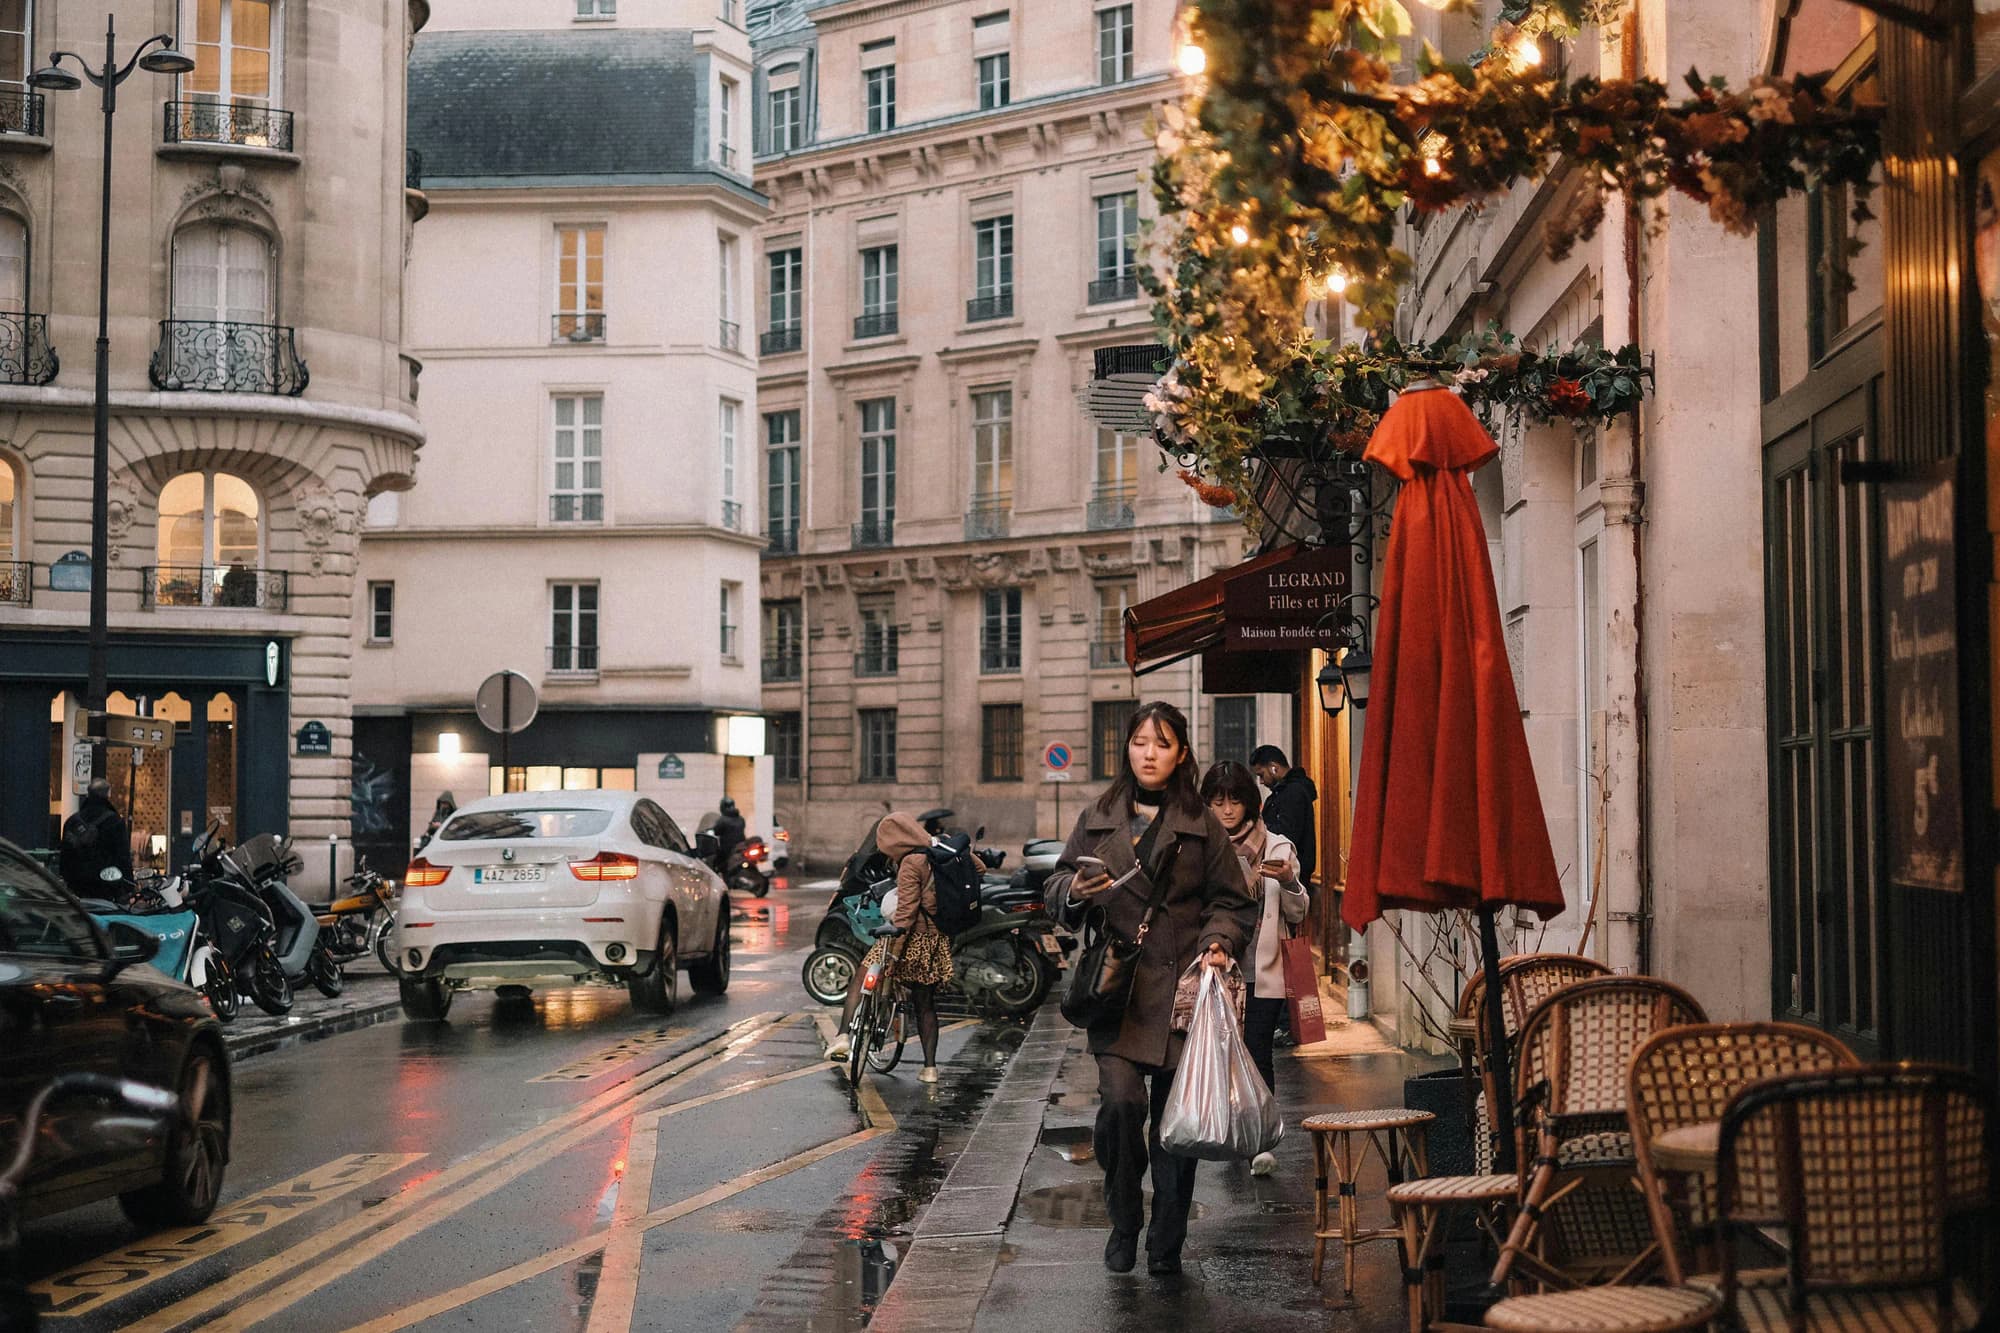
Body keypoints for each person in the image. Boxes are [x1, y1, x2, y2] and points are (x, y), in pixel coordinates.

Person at [1045, 701, 1255, 1277]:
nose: (1149, 754)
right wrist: (1076, 889)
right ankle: (1123, 1219)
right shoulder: (1098, 815)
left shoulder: (1201, 822)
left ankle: (1167, 1238)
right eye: (1140, 742)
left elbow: (1232, 901)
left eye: (1162, 744)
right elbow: (1056, 887)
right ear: (1127, 749)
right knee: (1120, 1104)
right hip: (1116, 989)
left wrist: (1219, 940)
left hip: (1181, 992)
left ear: (1181, 753)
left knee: (1174, 1125)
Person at [1201, 760, 1307, 1174]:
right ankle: (1235, 1130)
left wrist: (1288, 882)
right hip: (1219, 967)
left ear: (1250, 804)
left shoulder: (1277, 847)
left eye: (1235, 801)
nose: (1227, 810)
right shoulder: (1203, 850)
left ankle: (1262, 1139)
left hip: (1264, 968)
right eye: (1217, 802)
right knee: (1226, 1054)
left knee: (1258, 1050)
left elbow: (1297, 912)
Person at [826, 810, 952, 1082]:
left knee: (862, 976)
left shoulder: (911, 862)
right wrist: (940, 843)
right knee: (925, 1004)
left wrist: (893, 947)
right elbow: (977, 867)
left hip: (905, 938)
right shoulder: (938, 852)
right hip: (934, 940)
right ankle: (930, 1068)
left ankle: (843, 1036)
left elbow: (905, 911)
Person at [1249, 745, 1318, 887]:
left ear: (1274, 768)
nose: (1261, 781)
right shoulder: (1286, 793)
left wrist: (1259, 827)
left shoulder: (1292, 794)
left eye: (1261, 775)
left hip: (1289, 872)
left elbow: (1287, 833)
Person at [60, 779, 132, 896]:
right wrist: (128, 884)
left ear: (88, 794)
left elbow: (65, 854)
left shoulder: (72, 821)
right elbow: (122, 855)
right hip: (106, 885)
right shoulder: (115, 821)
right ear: (108, 794)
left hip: (77, 884)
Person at [711, 797, 747, 868]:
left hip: (727, 849)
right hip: (741, 847)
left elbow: (716, 831)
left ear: (723, 807)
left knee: (717, 863)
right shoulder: (741, 819)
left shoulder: (722, 820)